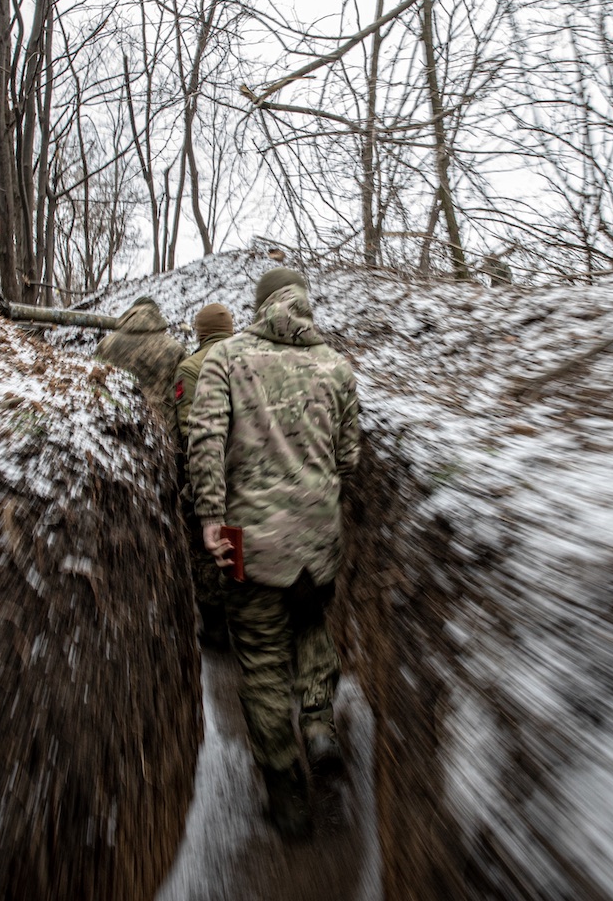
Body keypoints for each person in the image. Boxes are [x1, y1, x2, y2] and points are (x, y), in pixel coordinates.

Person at [187, 268, 361, 837]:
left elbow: (205, 438)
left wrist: (212, 517)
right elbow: (349, 457)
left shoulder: (226, 358)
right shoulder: (336, 365)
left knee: (261, 665)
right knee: (311, 629)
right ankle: (318, 728)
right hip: (317, 541)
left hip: (249, 544)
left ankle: (287, 799)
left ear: (259, 308)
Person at [172, 303, 236, 650]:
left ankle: (214, 628)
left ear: (200, 331)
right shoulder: (251, 357)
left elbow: (188, 429)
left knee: (204, 546)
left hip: (210, 465)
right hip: (249, 470)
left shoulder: (191, 367)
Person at [95, 295, 185, 410]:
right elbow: (183, 392)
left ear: (130, 314)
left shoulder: (106, 344)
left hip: (117, 416)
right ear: (156, 316)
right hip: (164, 421)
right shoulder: (174, 349)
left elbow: (94, 380)